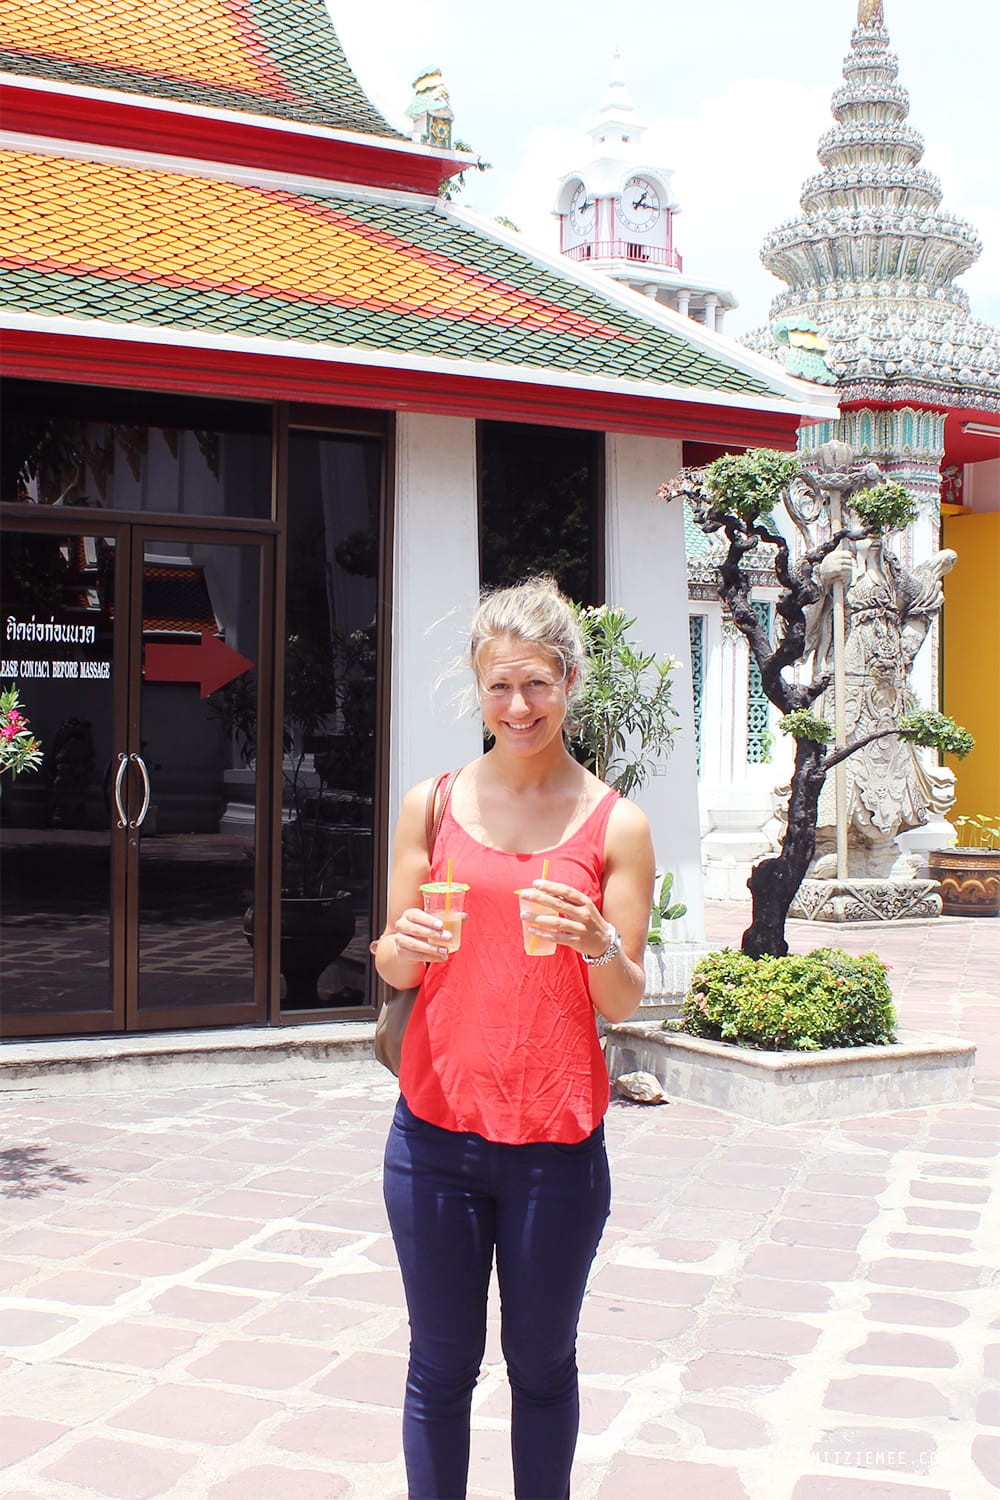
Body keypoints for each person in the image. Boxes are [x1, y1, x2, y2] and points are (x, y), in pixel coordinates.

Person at [375, 576, 655, 1500]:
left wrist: (597, 942)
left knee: (541, 1370)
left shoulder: (618, 824)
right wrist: (396, 946)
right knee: (438, 1369)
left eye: (537, 683)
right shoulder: (432, 804)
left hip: (555, 1145)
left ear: (569, 680)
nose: (518, 705)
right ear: (478, 686)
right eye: (500, 685)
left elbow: (621, 1000)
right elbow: (397, 966)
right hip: (435, 1138)